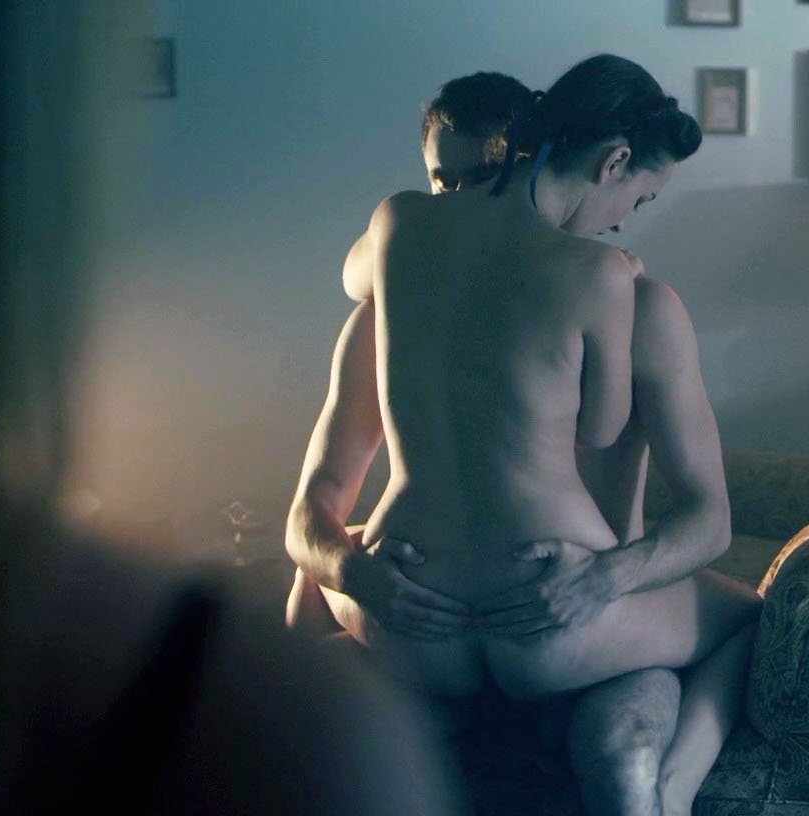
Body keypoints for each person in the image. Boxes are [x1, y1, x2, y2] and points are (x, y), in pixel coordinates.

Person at [288, 55, 758, 814]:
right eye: (639, 196)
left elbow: (357, 280)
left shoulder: (397, 226)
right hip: (547, 611)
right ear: (614, 161)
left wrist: (353, 572)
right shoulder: (606, 276)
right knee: (752, 619)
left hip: (416, 611)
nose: (625, 218)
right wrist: (609, 573)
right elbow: (607, 431)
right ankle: (671, 794)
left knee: (317, 559)